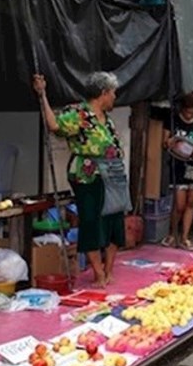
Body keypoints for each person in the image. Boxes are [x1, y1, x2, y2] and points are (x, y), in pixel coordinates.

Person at [33, 72, 126, 287]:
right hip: (88, 175)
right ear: (103, 93)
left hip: (112, 173)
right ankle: (98, 274)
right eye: (113, 93)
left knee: (114, 221)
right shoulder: (79, 114)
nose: (114, 97)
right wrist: (42, 95)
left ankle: (108, 270)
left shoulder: (106, 118)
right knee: (92, 220)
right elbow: (54, 125)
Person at [162, 91, 193, 250]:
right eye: (188, 111)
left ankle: (184, 237)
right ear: (182, 109)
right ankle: (171, 233)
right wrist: (172, 141)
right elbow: (165, 142)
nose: (190, 115)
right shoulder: (173, 121)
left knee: (191, 202)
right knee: (179, 204)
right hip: (178, 165)